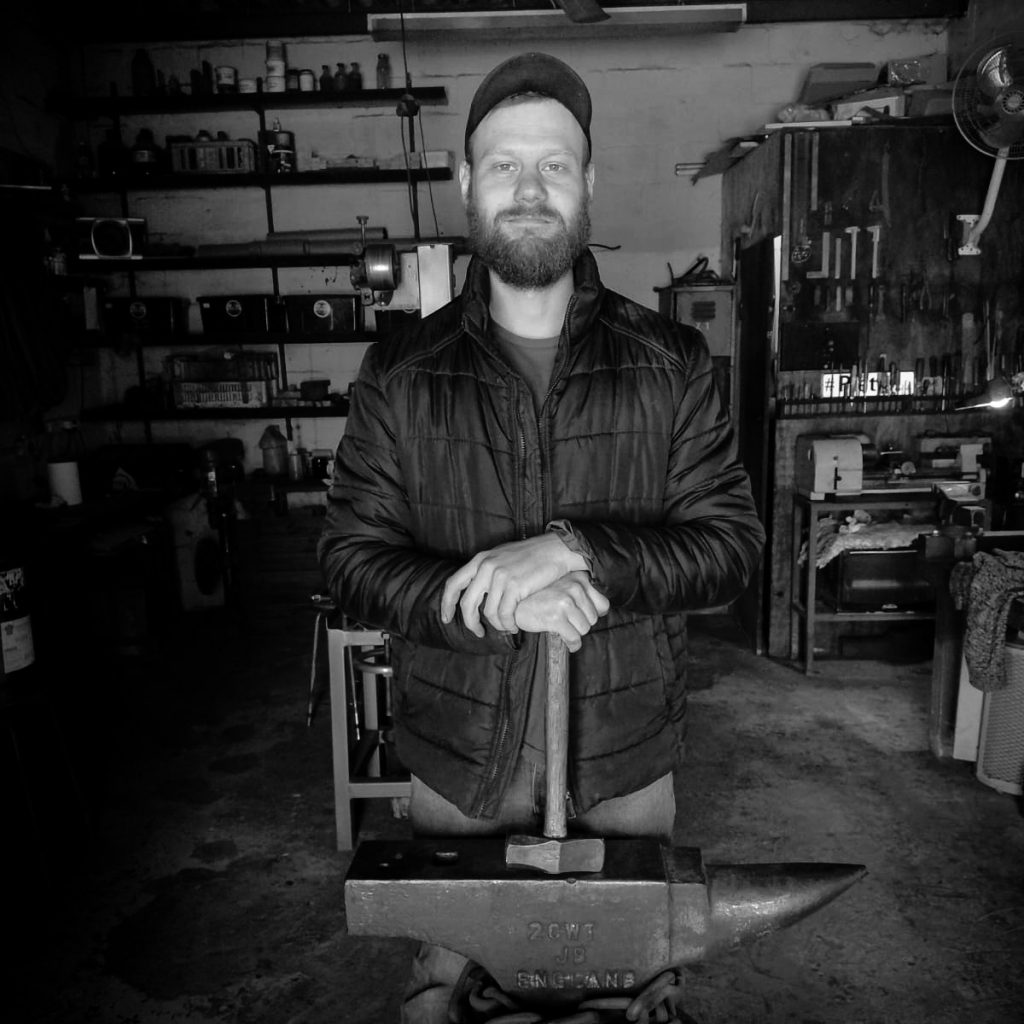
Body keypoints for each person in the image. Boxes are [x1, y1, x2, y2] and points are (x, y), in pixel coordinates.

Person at [318, 51, 765, 1021]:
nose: (529, 188)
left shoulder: (671, 362)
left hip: (624, 759)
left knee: (629, 989)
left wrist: (577, 549)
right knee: (446, 989)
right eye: (505, 164)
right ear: (466, 182)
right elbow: (351, 561)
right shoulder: (401, 370)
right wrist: (495, 599)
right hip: (457, 767)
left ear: (588, 182)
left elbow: (730, 548)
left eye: (554, 164)